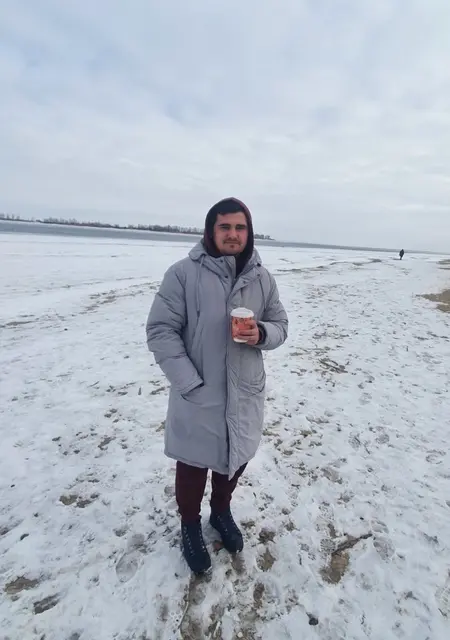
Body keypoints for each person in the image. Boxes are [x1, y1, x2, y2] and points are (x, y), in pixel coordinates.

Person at [146, 197, 288, 574]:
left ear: (249, 232)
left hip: (244, 391)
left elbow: (281, 325)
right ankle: (190, 524)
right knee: (193, 465)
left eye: (240, 227)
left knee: (234, 459)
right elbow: (161, 330)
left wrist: (262, 333)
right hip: (199, 390)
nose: (233, 234)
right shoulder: (182, 274)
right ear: (211, 231)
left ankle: (221, 512)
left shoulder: (262, 278)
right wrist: (188, 382)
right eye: (225, 227)